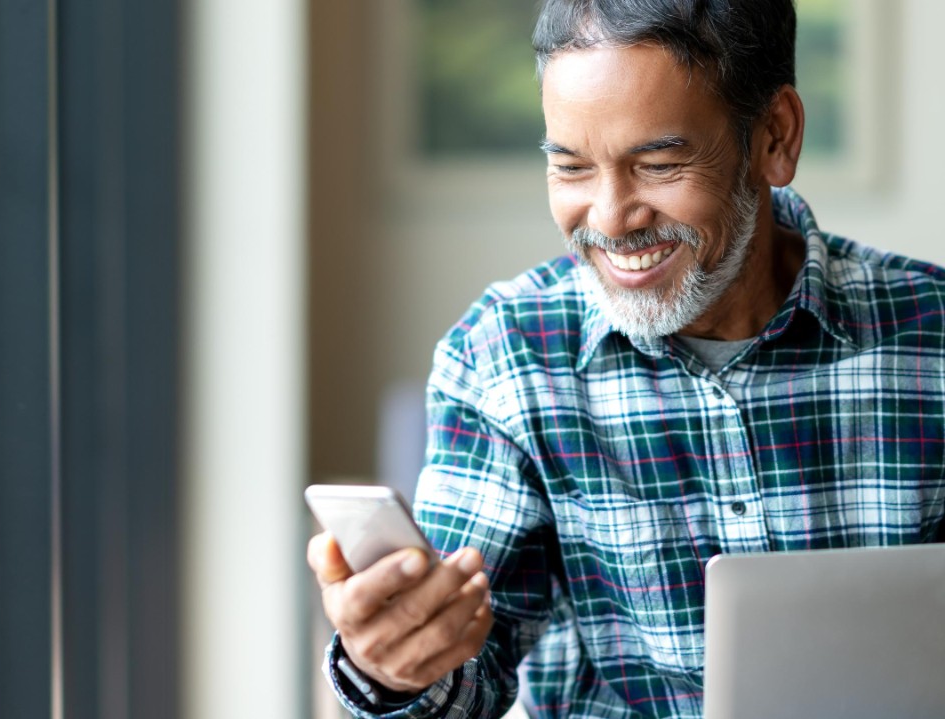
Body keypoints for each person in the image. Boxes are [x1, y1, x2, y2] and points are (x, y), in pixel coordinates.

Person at [306, 1, 945, 717]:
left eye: (659, 163)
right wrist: (395, 666)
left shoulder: (932, 335)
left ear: (775, 136)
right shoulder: (505, 355)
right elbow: (465, 684)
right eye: (572, 167)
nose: (610, 219)